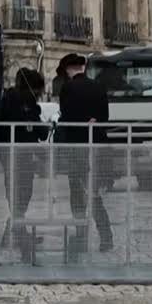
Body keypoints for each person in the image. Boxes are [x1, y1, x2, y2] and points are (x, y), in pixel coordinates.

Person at [58, 53, 113, 255]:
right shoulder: (98, 87)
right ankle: (106, 237)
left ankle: (81, 235)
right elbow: (105, 116)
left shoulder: (68, 88)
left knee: (77, 195)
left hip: (76, 148)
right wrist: (94, 122)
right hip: (97, 147)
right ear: (83, 67)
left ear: (68, 69)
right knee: (95, 195)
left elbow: (66, 116)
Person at [0, 68, 49, 260]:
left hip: (17, 154)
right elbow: (36, 131)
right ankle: (17, 234)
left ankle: (15, 232)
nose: (39, 94)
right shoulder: (20, 102)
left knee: (20, 193)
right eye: (37, 90)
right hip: (16, 153)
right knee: (20, 192)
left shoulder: (16, 101)